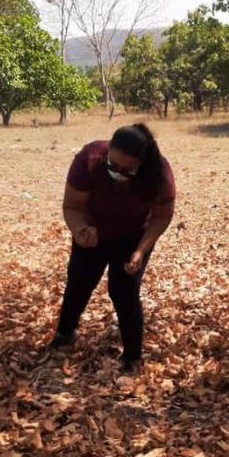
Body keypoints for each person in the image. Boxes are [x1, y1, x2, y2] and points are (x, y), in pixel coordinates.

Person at [50, 124, 176, 374]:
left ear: (142, 164)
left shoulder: (159, 173)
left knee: (124, 292)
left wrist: (140, 251)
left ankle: (132, 358)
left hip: (133, 236)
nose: (117, 172)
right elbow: (72, 206)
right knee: (79, 283)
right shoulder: (89, 159)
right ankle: (64, 335)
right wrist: (80, 230)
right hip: (93, 232)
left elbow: (162, 216)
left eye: (126, 170)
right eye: (112, 165)